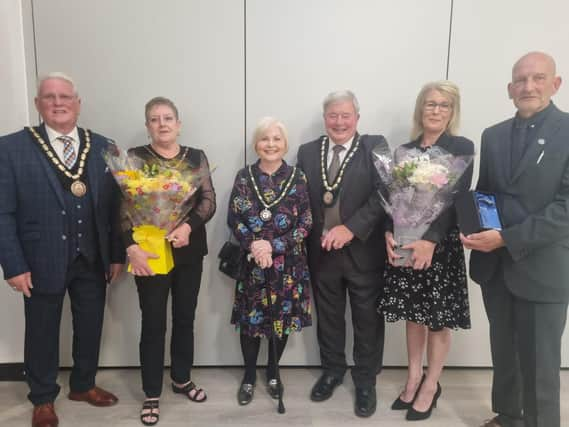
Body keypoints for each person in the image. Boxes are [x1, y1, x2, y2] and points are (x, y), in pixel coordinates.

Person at [0, 72, 125, 427]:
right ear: (38, 104)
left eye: (65, 97)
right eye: (49, 97)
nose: (58, 103)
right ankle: (42, 397)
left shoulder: (104, 145)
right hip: (39, 260)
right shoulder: (10, 148)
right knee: (41, 329)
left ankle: (83, 384)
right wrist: (12, 264)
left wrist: (116, 254)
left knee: (90, 324)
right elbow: (2, 212)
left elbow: (115, 208)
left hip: (93, 255)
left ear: (78, 103)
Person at [461, 52, 568, 427]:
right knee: (504, 351)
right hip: (496, 269)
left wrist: (505, 238)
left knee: (540, 362)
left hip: (542, 267)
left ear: (556, 84)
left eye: (538, 78)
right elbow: (487, 193)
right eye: (521, 80)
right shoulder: (493, 135)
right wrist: (470, 223)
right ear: (509, 89)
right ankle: (507, 416)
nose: (529, 87)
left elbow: (565, 209)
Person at [379, 81, 474, 421]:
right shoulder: (403, 151)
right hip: (406, 241)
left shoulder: (461, 147)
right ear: (420, 109)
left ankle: (432, 384)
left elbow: (454, 201)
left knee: (436, 319)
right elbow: (395, 200)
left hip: (438, 246)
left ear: (452, 111)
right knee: (413, 315)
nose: (436, 110)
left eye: (444, 105)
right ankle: (413, 377)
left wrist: (430, 240)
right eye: (430, 104)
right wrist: (391, 232)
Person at [124, 97, 216, 425]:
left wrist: (188, 226)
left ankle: (181, 378)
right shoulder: (134, 158)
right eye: (154, 119)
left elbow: (208, 200)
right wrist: (128, 247)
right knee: (153, 322)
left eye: (168, 118)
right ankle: (151, 392)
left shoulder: (196, 157)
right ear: (147, 125)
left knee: (184, 318)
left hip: (189, 251)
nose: (162, 124)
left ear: (178, 123)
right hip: (150, 252)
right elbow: (121, 208)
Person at [296, 90, 388, 417]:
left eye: (345, 115)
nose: (339, 122)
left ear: (357, 118)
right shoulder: (307, 152)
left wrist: (350, 228)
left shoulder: (375, 146)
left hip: (363, 250)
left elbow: (385, 194)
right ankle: (333, 370)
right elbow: (299, 200)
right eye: (333, 115)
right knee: (330, 317)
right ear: (325, 119)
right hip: (322, 253)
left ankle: (365, 380)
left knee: (367, 320)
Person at [228, 117, 312, 406]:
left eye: (277, 139)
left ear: (285, 144)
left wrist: (273, 245)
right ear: (256, 144)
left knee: (281, 321)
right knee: (251, 324)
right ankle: (249, 375)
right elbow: (234, 219)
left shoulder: (298, 177)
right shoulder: (243, 176)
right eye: (265, 139)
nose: (271, 144)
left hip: (287, 266)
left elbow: (305, 223)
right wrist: (255, 245)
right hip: (253, 264)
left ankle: (274, 372)